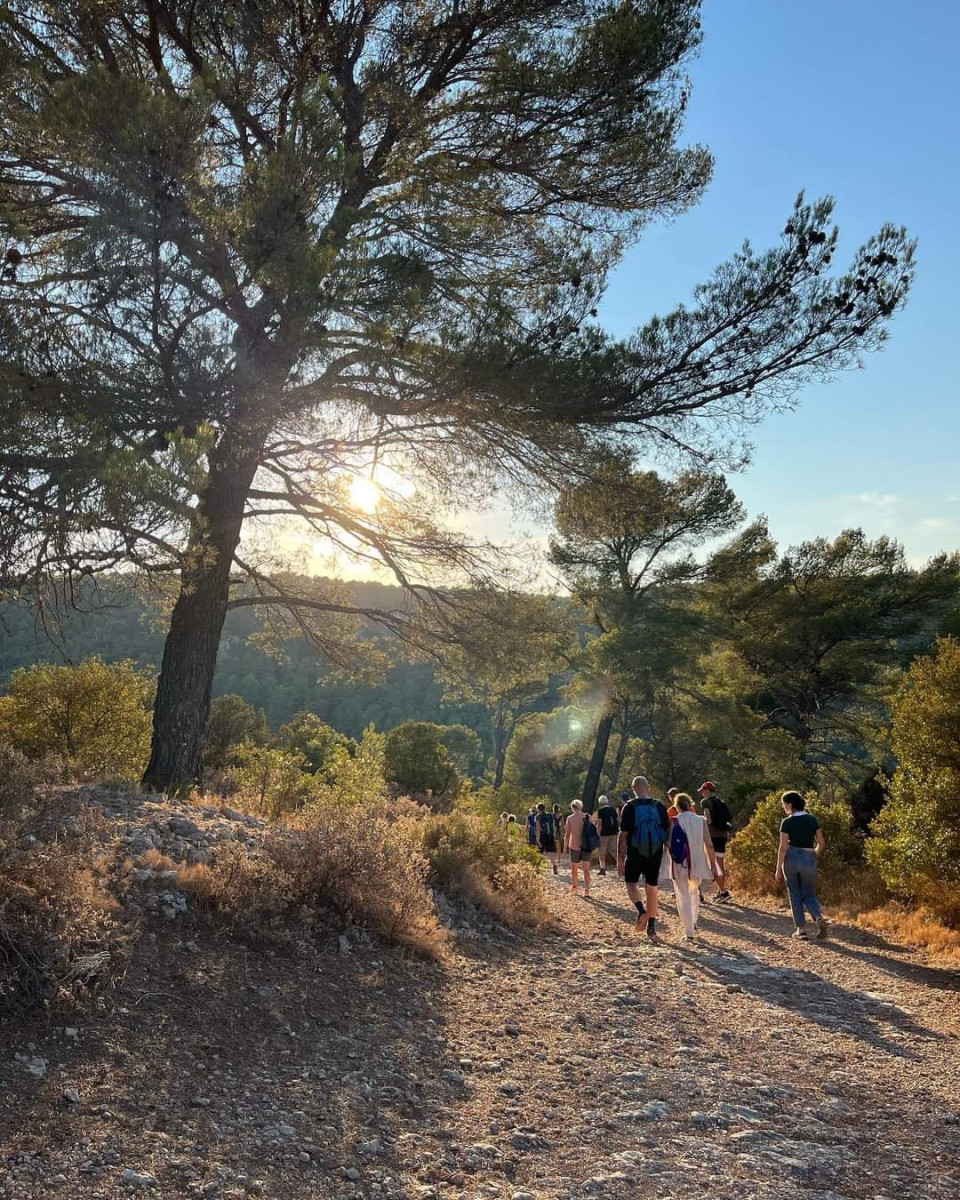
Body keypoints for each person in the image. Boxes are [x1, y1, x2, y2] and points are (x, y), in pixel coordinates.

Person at [617, 776, 671, 943]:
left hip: (635, 851)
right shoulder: (659, 805)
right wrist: (669, 850)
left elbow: (623, 835)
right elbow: (667, 831)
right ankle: (652, 928)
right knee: (652, 887)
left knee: (631, 883)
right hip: (655, 851)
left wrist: (620, 859)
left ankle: (641, 910)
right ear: (648, 786)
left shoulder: (629, 807)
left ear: (633, 788)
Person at [775, 791, 828, 940]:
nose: (784, 807)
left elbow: (783, 848)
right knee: (809, 893)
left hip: (791, 858)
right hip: (808, 857)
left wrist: (778, 869)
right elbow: (821, 843)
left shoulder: (787, 822)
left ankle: (801, 929)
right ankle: (818, 917)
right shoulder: (812, 819)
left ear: (790, 804)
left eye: (784, 804)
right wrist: (814, 853)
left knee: (794, 893)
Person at [668, 793, 717, 941]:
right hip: (697, 863)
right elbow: (709, 845)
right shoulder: (700, 820)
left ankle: (689, 930)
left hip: (679, 863)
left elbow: (669, 843)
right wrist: (713, 866)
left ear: (677, 806)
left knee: (682, 895)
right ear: (690, 804)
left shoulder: (674, 821)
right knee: (694, 892)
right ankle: (693, 921)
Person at [698, 781, 732, 903]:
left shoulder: (705, 802)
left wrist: (698, 819)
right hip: (722, 836)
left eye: (703, 791)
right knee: (720, 864)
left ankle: (723, 892)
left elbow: (708, 820)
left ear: (708, 790)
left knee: (715, 865)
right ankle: (720, 891)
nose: (702, 793)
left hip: (712, 837)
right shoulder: (720, 802)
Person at [564, 799, 592, 897]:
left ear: (572, 807)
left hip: (574, 845)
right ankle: (587, 890)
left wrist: (565, 847)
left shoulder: (570, 818)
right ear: (581, 807)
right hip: (586, 846)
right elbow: (593, 831)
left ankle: (575, 887)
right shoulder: (588, 817)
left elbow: (567, 834)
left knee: (574, 868)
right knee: (586, 869)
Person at [596, 793, 620, 876]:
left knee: (602, 851)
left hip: (604, 834)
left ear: (600, 803)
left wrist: (598, 833)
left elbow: (600, 823)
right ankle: (621, 866)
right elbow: (617, 820)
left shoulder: (601, 811)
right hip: (614, 832)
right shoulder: (612, 809)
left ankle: (602, 868)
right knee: (614, 851)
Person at [536, 802, 559, 875]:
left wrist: (537, 839)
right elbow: (553, 825)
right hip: (551, 836)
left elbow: (538, 829)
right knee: (551, 852)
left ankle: (538, 868)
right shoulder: (550, 815)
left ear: (538, 809)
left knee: (539, 852)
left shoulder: (538, 816)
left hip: (542, 836)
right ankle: (554, 865)